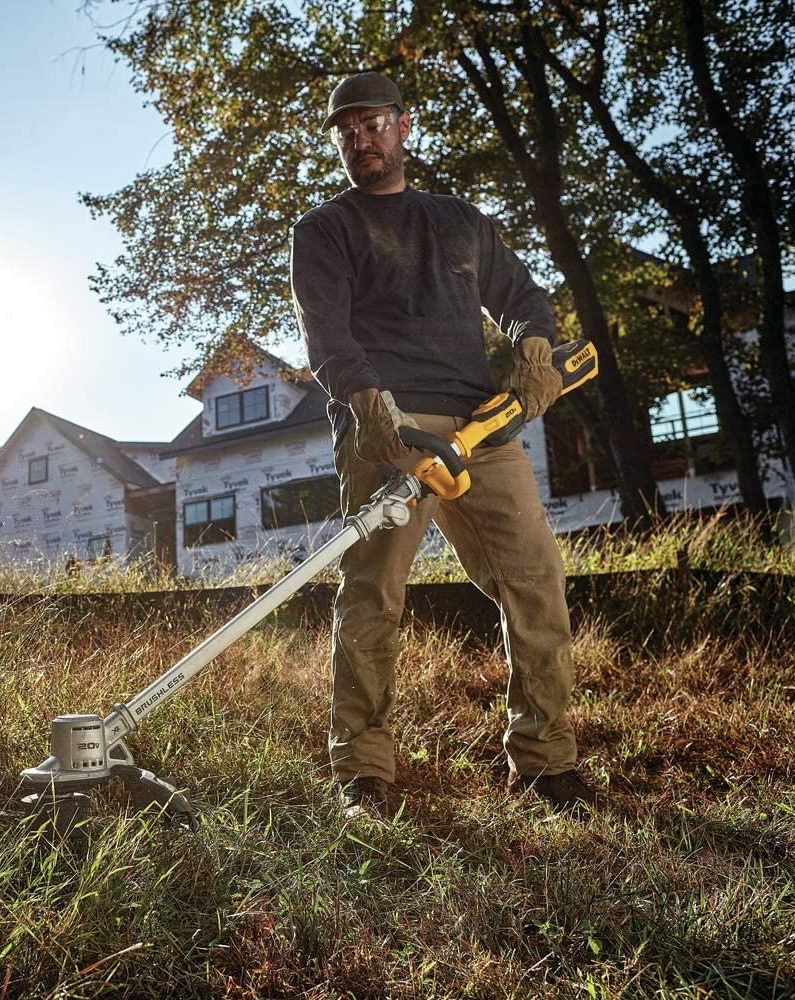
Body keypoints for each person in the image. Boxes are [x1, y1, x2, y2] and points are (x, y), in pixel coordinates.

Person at [289, 71, 598, 818]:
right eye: (347, 131)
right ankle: (365, 772)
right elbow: (327, 334)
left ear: (405, 127)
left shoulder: (461, 221)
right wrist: (372, 408)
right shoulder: (324, 230)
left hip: (481, 430)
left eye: (374, 124)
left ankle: (546, 762)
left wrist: (532, 349)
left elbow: (524, 300)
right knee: (372, 594)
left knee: (536, 581)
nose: (361, 139)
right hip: (387, 430)